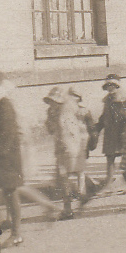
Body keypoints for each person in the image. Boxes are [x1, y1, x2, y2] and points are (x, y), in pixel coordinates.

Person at [0, 70, 61, 247]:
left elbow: (8, 134)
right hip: (5, 154)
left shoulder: (4, 104)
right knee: (11, 189)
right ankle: (13, 225)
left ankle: (17, 230)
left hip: (10, 154)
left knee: (14, 188)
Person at [44, 87, 91, 219]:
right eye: (50, 102)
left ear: (59, 102)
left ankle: (69, 207)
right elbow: (51, 130)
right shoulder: (54, 113)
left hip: (68, 148)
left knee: (65, 177)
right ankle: (80, 196)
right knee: (70, 175)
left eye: (53, 101)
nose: (51, 104)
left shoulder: (65, 112)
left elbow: (71, 129)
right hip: (66, 148)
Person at [93, 74, 126, 190]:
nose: (109, 87)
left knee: (125, 156)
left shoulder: (120, 98)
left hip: (120, 131)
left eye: (112, 85)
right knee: (110, 158)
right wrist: (98, 127)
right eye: (108, 85)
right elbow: (104, 116)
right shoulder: (107, 100)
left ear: (117, 86)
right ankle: (109, 182)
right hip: (110, 132)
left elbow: (124, 116)